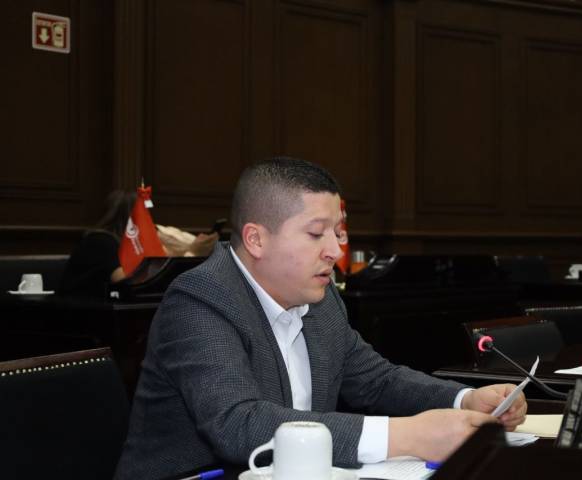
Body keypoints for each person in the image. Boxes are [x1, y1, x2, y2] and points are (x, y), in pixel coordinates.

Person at [114, 157, 527, 479]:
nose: (334, 250)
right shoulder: (200, 299)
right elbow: (238, 425)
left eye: (337, 232)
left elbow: (375, 379)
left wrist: (463, 399)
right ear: (256, 239)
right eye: (316, 234)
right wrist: (407, 435)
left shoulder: (320, 297)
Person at [59, 190, 219, 297]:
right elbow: (129, 281)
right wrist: (191, 253)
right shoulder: (99, 241)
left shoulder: (120, 242)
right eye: (145, 216)